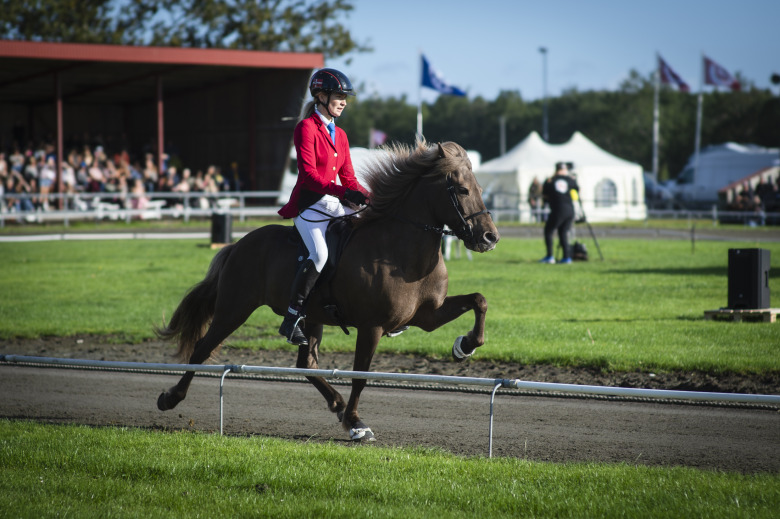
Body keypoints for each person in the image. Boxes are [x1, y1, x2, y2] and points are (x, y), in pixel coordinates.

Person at [276, 68, 369, 345]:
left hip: (332, 201)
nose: (344, 102)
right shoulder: (305, 128)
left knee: (369, 228)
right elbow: (309, 177)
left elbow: (350, 177)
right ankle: (292, 318)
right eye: (339, 96)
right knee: (319, 254)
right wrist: (345, 192)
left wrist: (368, 196)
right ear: (321, 96)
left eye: (345, 97)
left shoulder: (340, 134)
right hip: (309, 205)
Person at [539, 162, 579, 264]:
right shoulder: (570, 179)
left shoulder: (550, 180)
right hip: (570, 210)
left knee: (549, 231)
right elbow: (577, 189)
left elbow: (545, 196)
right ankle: (566, 257)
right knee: (564, 232)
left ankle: (550, 256)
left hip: (558, 210)